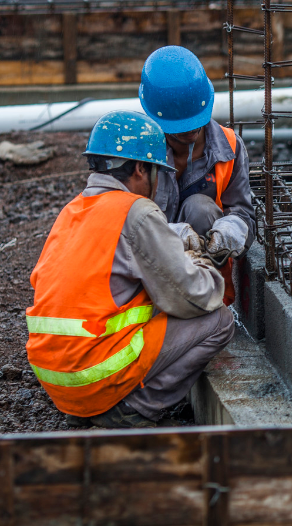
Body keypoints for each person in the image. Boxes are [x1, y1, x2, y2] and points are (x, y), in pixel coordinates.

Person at [26, 111, 235, 428]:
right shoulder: (134, 211)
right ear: (140, 168)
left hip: (55, 378)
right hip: (92, 375)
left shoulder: (72, 211)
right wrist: (199, 260)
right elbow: (196, 296)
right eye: (155, 173)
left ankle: (95, 404)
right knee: (218, 319)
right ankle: (134, 408)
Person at [139, 46, 255, 304]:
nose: (191, 133)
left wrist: (231, 230)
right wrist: (167, 235)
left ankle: (206, 300)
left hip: (204, 274)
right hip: (147, 263)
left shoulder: (230, 147)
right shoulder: (141, 150)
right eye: (181, 129)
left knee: (200, 208)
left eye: (195, 124)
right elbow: (120, 218)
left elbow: (244, 213)